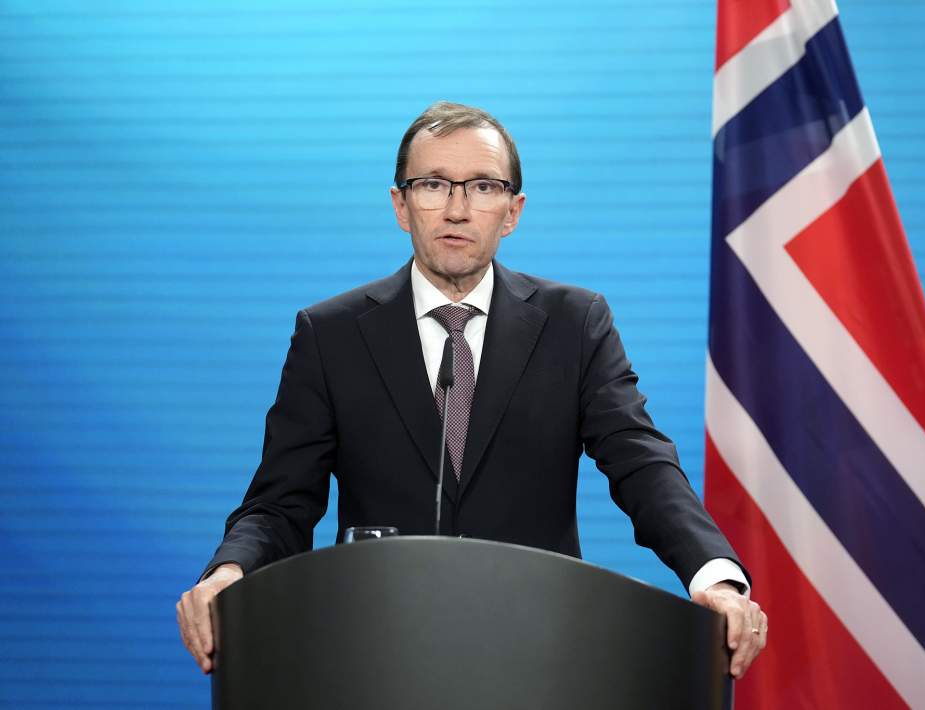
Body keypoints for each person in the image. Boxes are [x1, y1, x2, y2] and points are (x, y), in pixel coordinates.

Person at [177, 101, 767, 678]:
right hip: (379, 656)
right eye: (434, 185)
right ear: (401, 205)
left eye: (483, 187)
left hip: (538, 656)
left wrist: (713, 575)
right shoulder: (331, 334)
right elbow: (281, 502)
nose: (457, 210)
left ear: (513, 211)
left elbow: (640, 462)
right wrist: (229, 573)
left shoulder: (574, 323)